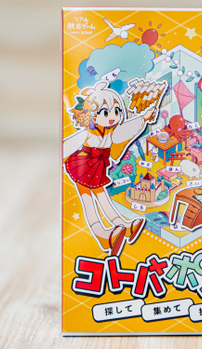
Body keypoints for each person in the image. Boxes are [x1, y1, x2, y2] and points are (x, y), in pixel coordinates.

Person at [63, 81, 151, 256]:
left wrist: (144, 118)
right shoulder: (87, 133)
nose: (112, 117)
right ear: (92, 116)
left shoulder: (111, 132)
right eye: (105, 112)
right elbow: (67, 146)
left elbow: (126, 130)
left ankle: (123, 226)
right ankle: (102, 234)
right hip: (81, 166)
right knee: (89, 202)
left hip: (97, 167)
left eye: (116, 111)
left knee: (102, 197)